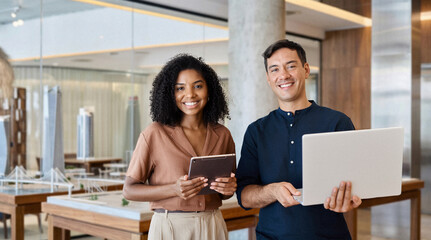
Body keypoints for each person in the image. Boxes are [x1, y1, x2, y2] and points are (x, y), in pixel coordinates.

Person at [235, 39, 362, 239]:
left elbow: (356, 184)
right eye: (274, 69)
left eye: (291, 66)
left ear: (306, 69)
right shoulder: (256, 131)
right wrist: (272, 191)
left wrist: (350, 199)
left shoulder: (337, 122)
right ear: (268, 78)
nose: (283, 75)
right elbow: (244, 196)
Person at [123, 54, 237, 240]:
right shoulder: (154, 133)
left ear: (209, 90)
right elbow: (129, 190)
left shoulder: (222, 134)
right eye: (180, 88)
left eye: (198, 86)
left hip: (213, 223)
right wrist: (173, 190)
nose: (190, 94)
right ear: (170, 93)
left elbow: (225, 192)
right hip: (170, 227)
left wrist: (229, 188)